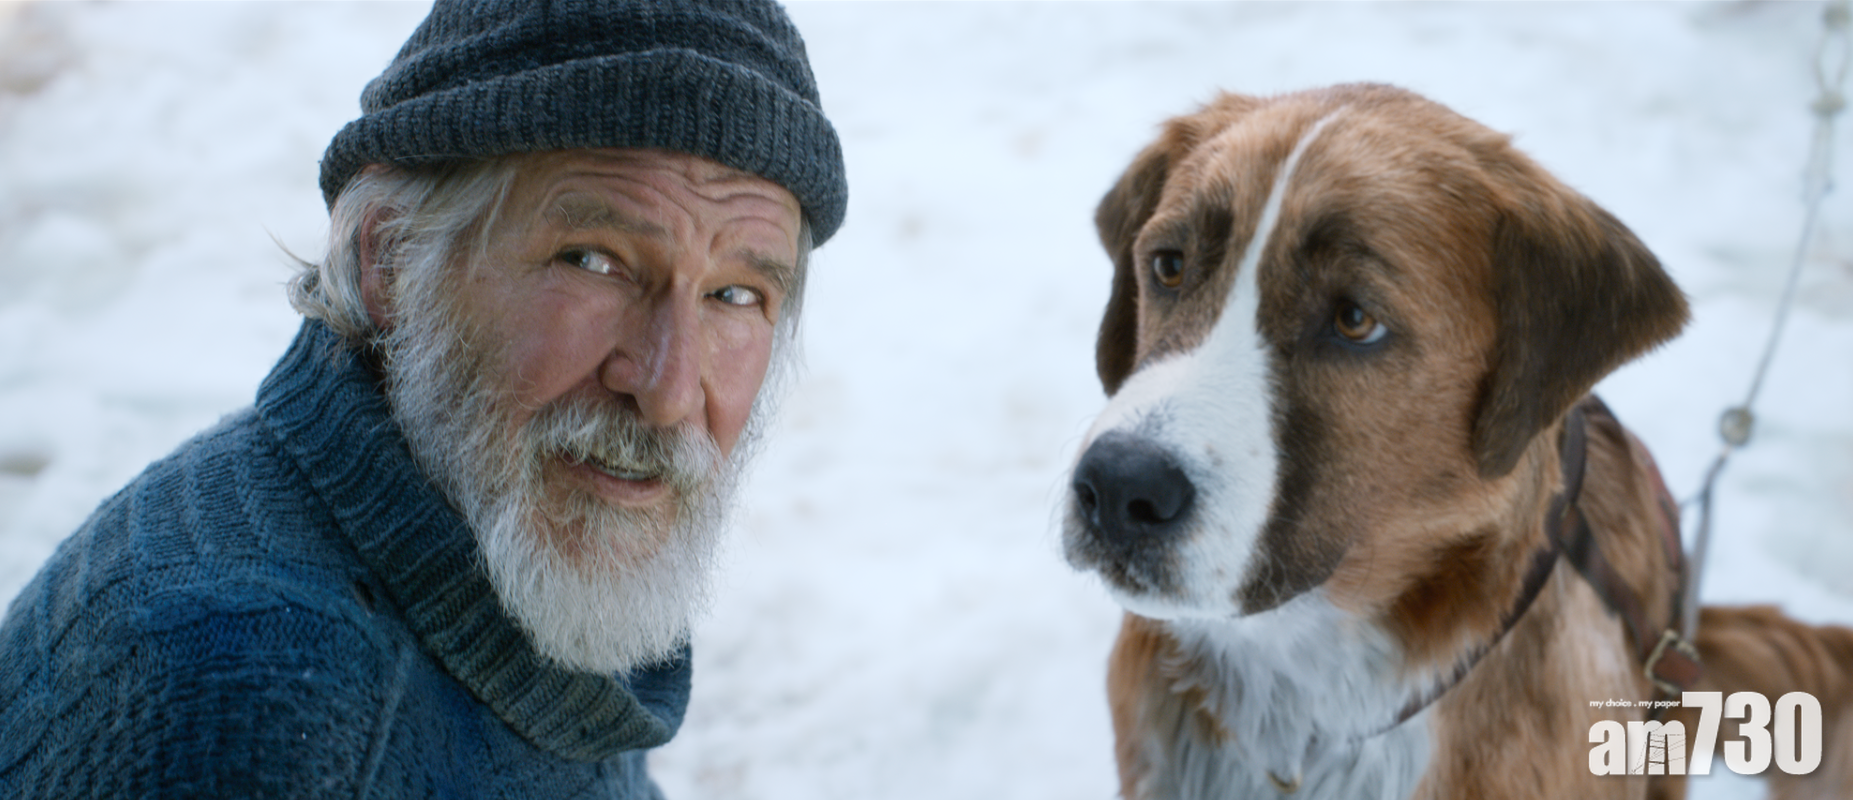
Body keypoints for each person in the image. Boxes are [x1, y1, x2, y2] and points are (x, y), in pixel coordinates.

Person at [0, 0, 846, 795]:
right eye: (593, 261)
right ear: (393, 263)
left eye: (735, 296)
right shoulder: (265, 697)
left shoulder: (517, 554)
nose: (665, 391)